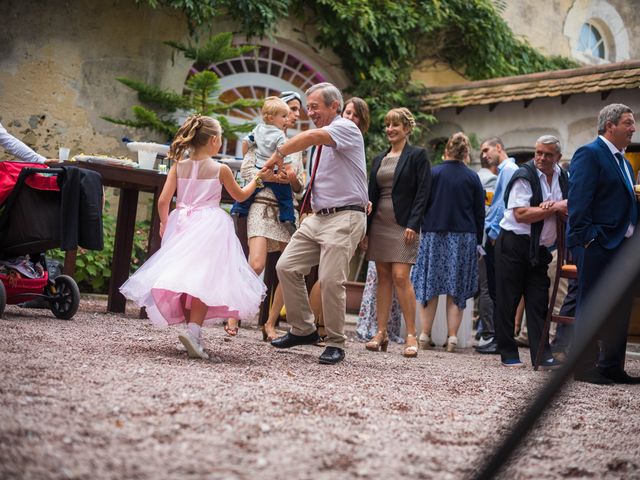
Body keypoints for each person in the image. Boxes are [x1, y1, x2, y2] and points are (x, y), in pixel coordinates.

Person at [119, 115, 266, 359]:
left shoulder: (179, 166)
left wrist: (165, 223)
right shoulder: (221, 169)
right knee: (203, 279)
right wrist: (256, 181)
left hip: (182, 222)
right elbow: (240, 196)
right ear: (214, 141)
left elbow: (164, 199)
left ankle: (191, 332)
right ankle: (193, 332)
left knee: (187, 278)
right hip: (210, 224)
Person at [263, 82, 368, 365]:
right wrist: (293, 182)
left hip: (345, 215)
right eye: (308, 107)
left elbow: (311, 136)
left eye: (315, 106)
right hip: (318, 216)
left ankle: (335, 341)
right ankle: (304, 329)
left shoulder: (345, 127)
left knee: (332, 280)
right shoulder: (319, 143)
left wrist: (279, 153)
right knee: (286, 267)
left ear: (335, 106)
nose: (310, 112)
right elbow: (315, 182)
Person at [568, 103, 640, 384]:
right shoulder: (590, 154)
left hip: (622, 247)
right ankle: (584, 368)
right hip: (597, 245)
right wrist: (588, 239)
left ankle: (611, 366)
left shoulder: (622, 160)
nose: (633, 128)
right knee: (592, 305)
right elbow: (579, 202)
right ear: (610, 125)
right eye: (628, 123)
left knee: (620, 306)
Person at [362, 108, 431, 357]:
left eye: (396, 125)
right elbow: (372, 194)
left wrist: (414, 223)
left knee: (401, 277)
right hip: (379, 222)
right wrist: (365, 230)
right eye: (387, 125)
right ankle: (380, 333)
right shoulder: (379, 158)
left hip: (404, 225)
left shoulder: (418, 155)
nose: (390, 129)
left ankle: (411, 335)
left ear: (407, 129)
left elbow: (423, 192)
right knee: (383, 276)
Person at [495, 135, 568, 369]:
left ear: (558, 157)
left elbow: (569, 207)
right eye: (538, 153)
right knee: (508, 299)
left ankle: (541, 354)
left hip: (540, 249)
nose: (541, 158)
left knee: (538, 302)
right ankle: (508, 352)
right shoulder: (524, 175)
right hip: (513, 244)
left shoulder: (563, 176)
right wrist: (553, 208)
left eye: (547, 154)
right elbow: (521, 214)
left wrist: (557, 207)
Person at [238, 91, 306, 341]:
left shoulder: (297, 147)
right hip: (260, 205)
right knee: (256, 263)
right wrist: (269, 176)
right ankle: (235, 314)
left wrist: (291, 180)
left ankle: (270, 322)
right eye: (292, 110)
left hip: (285, 212)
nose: (295, 116)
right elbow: (246, 172)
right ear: (277, 115)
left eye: (298, 111)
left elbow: (299, 186)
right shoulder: (259, 137)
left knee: (287, 269)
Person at [411, 132, 483, 353]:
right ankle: (452, 338)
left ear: (447, 150)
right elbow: (480, 213)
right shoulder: (473, 178)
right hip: (463, 238)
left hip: (434, 235)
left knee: (429, 286)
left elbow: (420, 203)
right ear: (466, 153)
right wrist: (478, 242)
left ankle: (424, 334)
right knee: (456, 289)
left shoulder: (433, 173)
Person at [475, 137, 519, 354]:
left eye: (486, 150)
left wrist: (492, 234)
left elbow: (503, 205)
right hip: (495, 237)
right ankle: (498, 339)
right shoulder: (505, 170)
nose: (484, 155)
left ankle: (499, 340)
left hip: (498, 237)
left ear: (499, 147)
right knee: (494, 291)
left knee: (497, 291)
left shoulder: (509, 169)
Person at [231, 97, 296, 233]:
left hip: (260, 168)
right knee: (285, 196)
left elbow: (245, 142)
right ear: (271, 118)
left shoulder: (258, 129)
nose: (286, 119)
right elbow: (282, 152)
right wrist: (288, 168)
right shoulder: (279, 135)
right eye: (283, 116)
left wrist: (245, 156)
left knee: (250, 191)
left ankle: (238, 210)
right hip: (274, 170)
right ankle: (288, 218)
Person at [475, 154, 498, 344]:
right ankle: (487, 332)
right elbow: (487, 211)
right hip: (483, 241)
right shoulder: (490, 180)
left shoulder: (476, 176)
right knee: (486, 288)